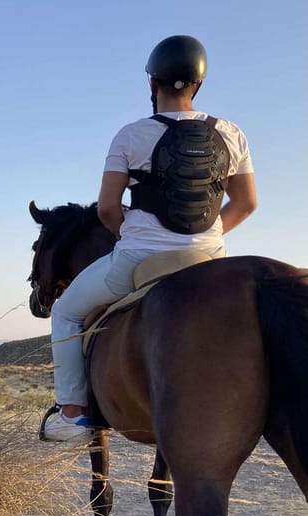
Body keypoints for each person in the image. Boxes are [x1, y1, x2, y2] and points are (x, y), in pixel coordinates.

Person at [41, 35, 257, 442]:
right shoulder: (232, 133)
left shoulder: (130, 135)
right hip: (209, 261)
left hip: (138, 259)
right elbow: (245, 204)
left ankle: (71, 414)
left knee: (66, 314)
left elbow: (107, 209)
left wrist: (138, 236)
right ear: (198, 85)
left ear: (152, 83)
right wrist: (204, 238)